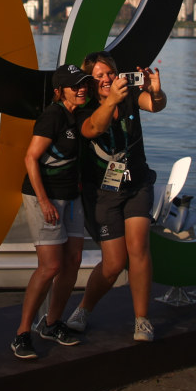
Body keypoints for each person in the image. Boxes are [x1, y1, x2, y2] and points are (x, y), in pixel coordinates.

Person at [65, 50, 167, 342]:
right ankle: (84, 308)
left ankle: (142, 319)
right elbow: (92, 129)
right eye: (99, 76)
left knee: (139, 248)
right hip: (103, 193)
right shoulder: (86, 107)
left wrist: (156, 92)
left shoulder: (131, 96)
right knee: (113, 263)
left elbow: (156, 105)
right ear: (90, 81)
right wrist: (111, 101)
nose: (107, 79)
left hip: (136, 185)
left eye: (110, 73)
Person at [10, 63, 94, 360]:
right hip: (44, 198)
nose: (82, 88)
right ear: (60, 91)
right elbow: (31, 158)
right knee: (50, 267)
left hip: (72, 197)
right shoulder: (53, 115)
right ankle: (22, 333)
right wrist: (44, 201)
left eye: (84, 83)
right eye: (76, 85)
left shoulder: (79, 113)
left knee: (73, 261)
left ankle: (51, 323)